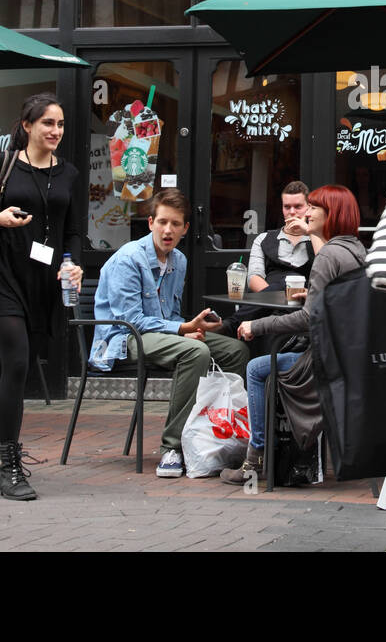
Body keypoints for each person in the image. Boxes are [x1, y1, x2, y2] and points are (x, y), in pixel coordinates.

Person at [0, 92, 83, 501]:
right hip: (3, 276)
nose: (56, 131)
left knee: (22, 369)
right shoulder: (3, 165)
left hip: (45, 282)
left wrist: (73, 263)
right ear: (28, 125)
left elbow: (72, 230)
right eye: (48, 123)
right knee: (15, 362)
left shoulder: (68, 173)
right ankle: (9, 467)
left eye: (61, 124)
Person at [90, 188, 248, 478]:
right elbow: (131, 320)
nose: (168, 230)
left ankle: (219, 437)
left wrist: (189, 329)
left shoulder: (179, 261)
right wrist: (182, 331)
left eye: (175, 224)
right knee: (195, 351)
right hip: (122, 339)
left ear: (186, 229)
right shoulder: (129, 259)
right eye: (162, 222)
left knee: (235, 350)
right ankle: (173, 447)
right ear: (150, 222)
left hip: (159, 334)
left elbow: (169, 316)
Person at [222, 184, 365, 486]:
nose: (306, 212)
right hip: (348, 356)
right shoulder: (355, 249)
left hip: (324, 362)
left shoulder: (327, 256)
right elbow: (330, 305)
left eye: (313, 207)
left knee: (257, 368)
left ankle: (255, 457)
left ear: (332, 213)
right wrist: (310, 294)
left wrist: (255, 326)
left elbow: (307, 319)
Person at [226, 181, 321, 341]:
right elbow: (254, 278)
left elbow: (327, 266)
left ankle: (231, 324)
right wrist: (279, 299)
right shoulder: (264, 239)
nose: (292, 212)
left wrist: (310, 232)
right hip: (270, 307)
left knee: (290, 279)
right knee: (285, 282)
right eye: (287, 207)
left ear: (308, 207)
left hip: (305, 306)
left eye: (298, 207)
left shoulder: (318, 239)